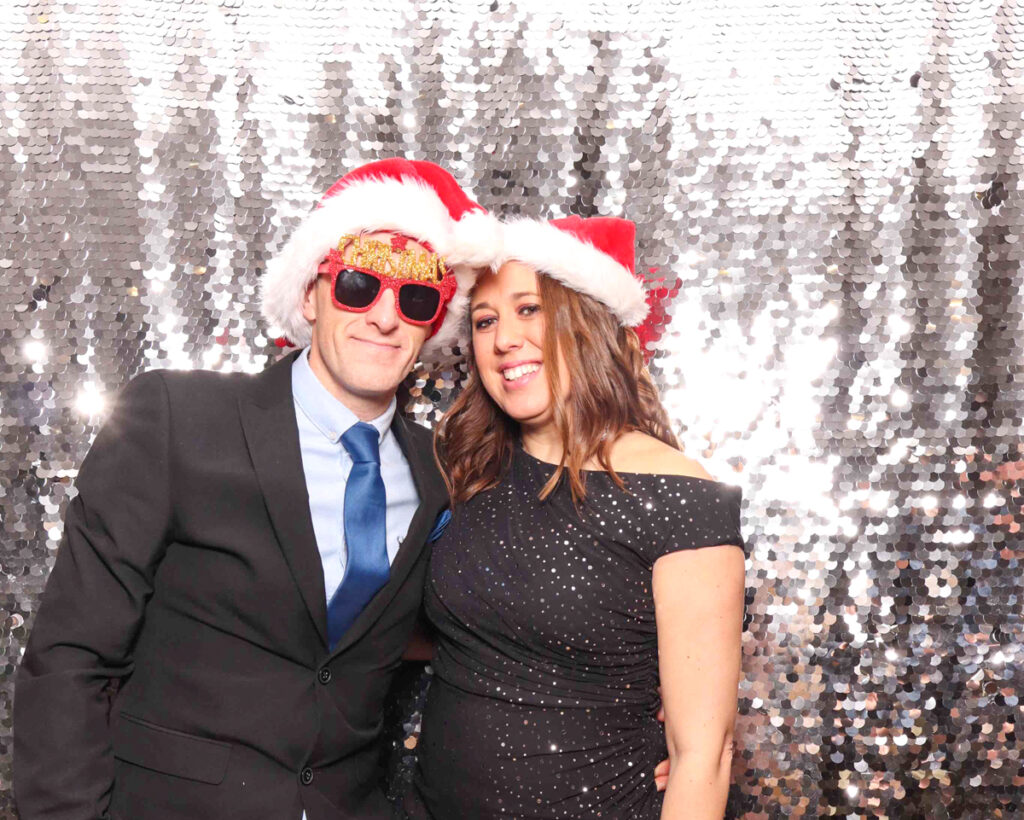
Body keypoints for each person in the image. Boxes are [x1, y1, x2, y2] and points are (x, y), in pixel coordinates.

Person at [13, 158, 499, 820]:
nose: (385, 317)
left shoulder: (440, 475)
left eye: (414, 299)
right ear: (311, 295)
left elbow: (475, 631)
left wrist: (646, 696)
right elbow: (70, 658)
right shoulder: (176, 420)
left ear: (431, 324)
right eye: (359, 285)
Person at [404, 215, 747, 818]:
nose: (503, 338)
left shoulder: (679, 500)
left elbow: (703, 755)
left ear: (586, 323)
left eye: (529, 309)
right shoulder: (467, 469)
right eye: (485, 320)